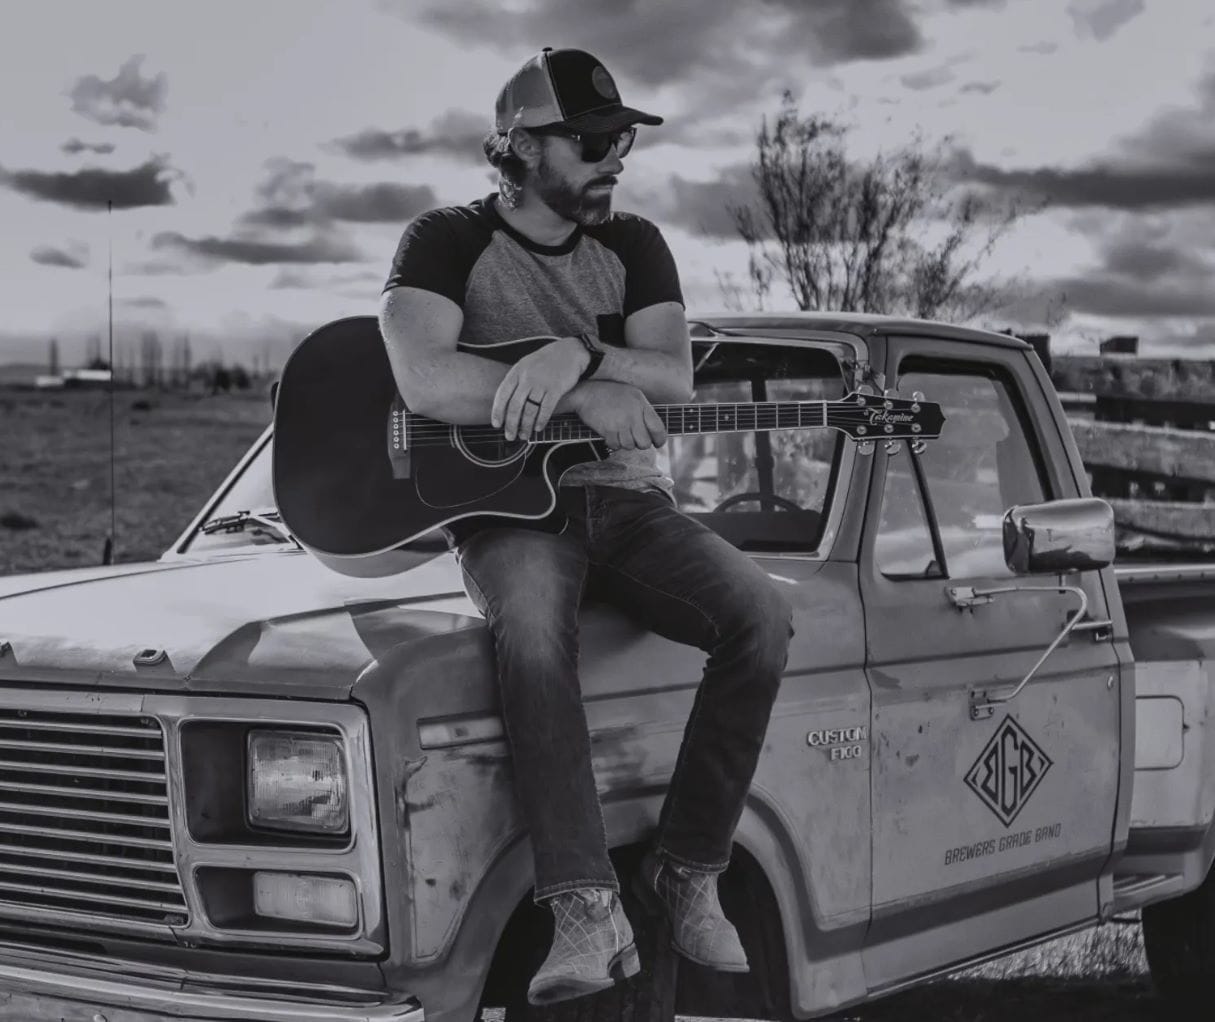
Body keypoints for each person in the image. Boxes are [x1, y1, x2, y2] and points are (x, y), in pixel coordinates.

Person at [378, 47, 793, 1006]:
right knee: (527, 628)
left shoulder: (637, 244)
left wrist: (574, 358)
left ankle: (688, 870)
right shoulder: (442, 239)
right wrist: (575, 388)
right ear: (518, 148)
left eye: (621, 141)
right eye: (593, 140)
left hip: (629, 501)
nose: (616, 158)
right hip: (505, 514)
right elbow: (425, 380)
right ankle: (582, 908)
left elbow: (673, 376)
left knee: (759, 618)